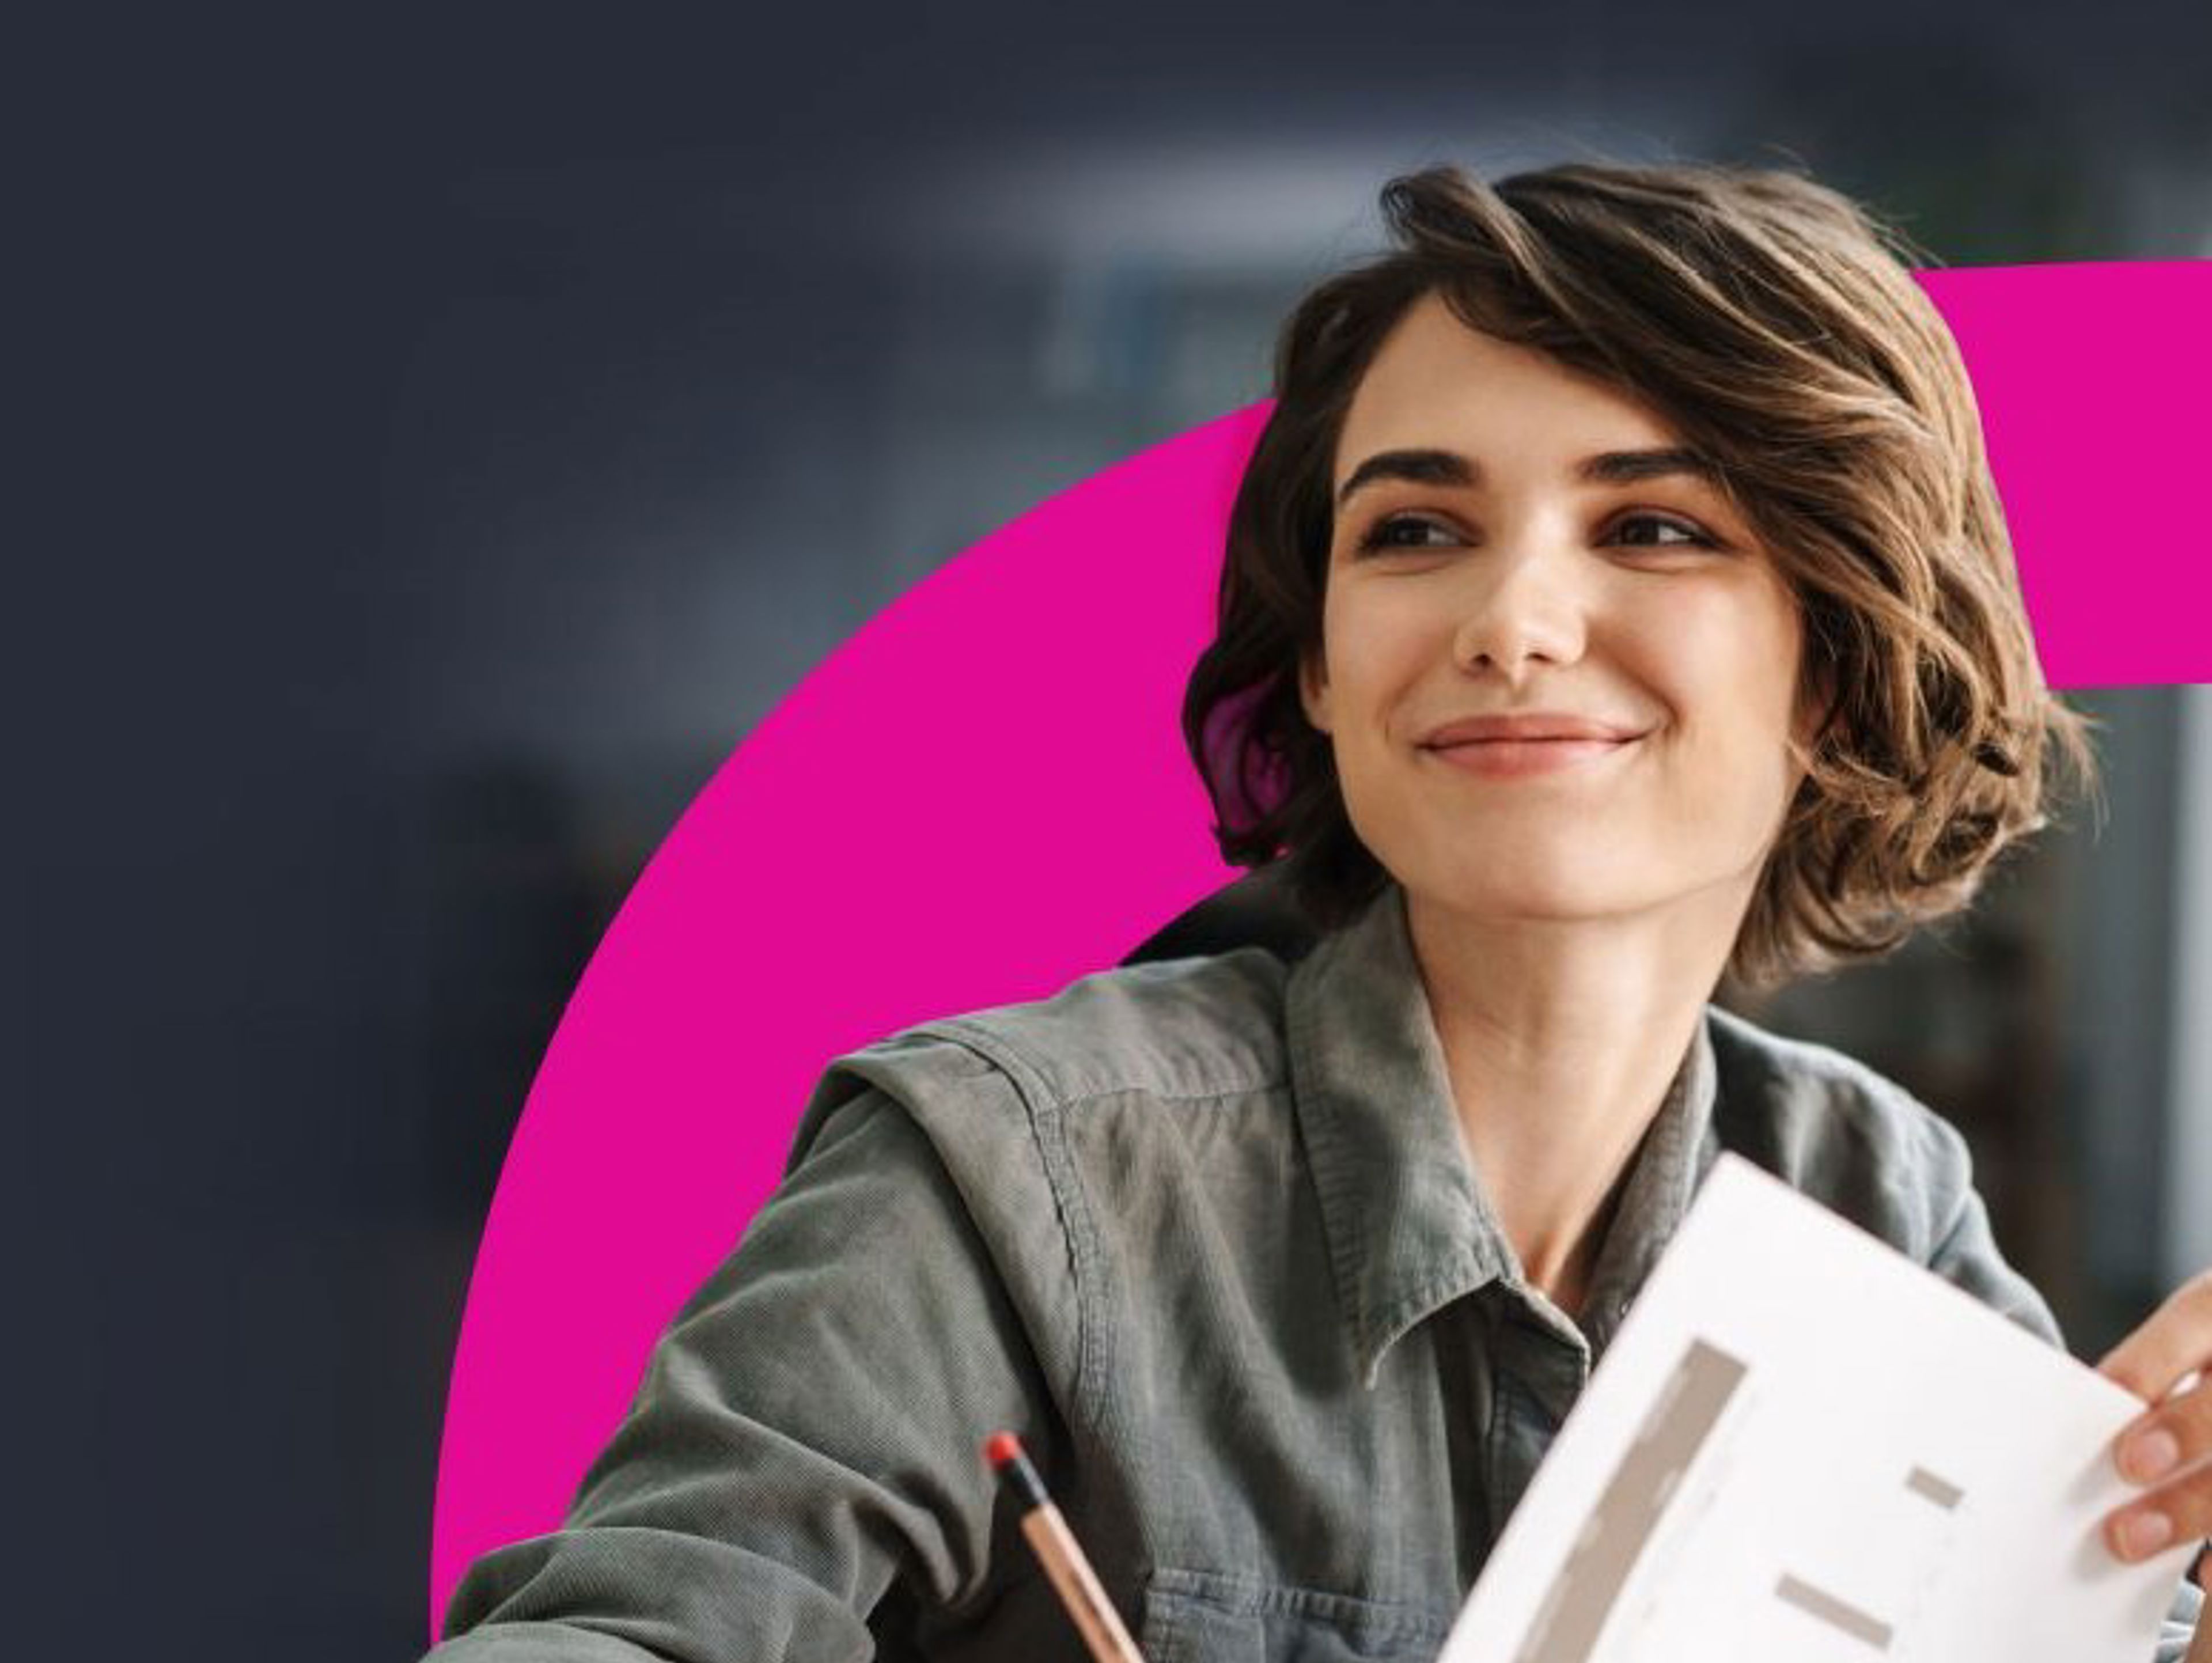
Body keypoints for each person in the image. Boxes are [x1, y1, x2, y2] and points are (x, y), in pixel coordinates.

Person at [424, 160, 2210, 1661]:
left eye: (1656, 529)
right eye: (1413, 532)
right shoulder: (1003, 1174)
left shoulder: (1884, 1206)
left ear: (1843, 656)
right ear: (1328, 673)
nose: (1510, 623)